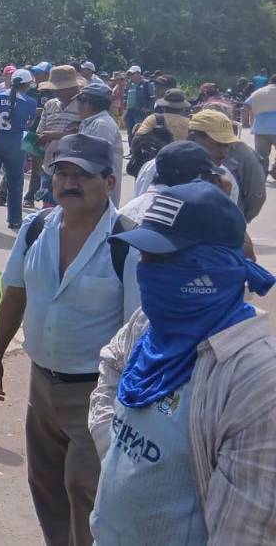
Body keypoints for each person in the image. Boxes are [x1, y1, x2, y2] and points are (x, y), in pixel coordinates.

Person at [88, 180, 276, 543]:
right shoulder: (148, 324)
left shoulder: (255, 381)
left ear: (211, 268)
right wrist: (117, 455)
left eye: (165, 260)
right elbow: (111, 367)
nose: (148, 270)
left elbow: (244, 533)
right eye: (147, 257)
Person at [0, 133, 140, 546]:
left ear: (109, 183)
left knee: (85, 489)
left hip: (95, 391)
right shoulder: (38, 226)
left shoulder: (127, 243)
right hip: (41, 383)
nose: (67, 183)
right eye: (62, 173)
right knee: (45, 483)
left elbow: (135, 333)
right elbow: (15, 293)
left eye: (81, 175)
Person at [0, 69, 39, 230]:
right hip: (15, 144)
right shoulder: (30, 102)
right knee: (15, 183)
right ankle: (14, 219)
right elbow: (29, 124)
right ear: (27, 84)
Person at [118, 141, 228, 223]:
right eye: (210, 176)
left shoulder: (122, 214)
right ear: (199, 178)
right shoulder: (186, 219)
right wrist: (222, 204)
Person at [36, 66, 84, 208]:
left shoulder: (84, 106)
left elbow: (86, 136)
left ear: (70, 87)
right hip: (49, 165)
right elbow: (41, 131)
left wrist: (56, 135)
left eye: (57, 88)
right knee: (47, 211)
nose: (53, 91)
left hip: (74, 169)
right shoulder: (50, 105)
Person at [76, 82, 124, 206]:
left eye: (79, 102)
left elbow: (95, 162)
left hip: (98, 193)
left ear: (86, 104)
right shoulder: (91, 123)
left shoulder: (101, 125)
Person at [243, 78, 276, 178]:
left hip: (260, 128)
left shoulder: (258, 92)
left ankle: (262, 176)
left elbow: (246, 105)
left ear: (269, 82)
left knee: (262, 155)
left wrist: (245, 122)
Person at [122, 65, 153, 145]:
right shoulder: (129, 84)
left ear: (139, 74)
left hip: (140, 112)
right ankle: (131, 151)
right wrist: (124, 111)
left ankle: (138, 151)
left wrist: (149, 109)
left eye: (132, 74)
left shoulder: (146, 83)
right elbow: (125, 98)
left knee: (139, 132)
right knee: (130, 132)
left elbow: (152, 98)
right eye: (130, 74)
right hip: (129, 112)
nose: (130, 76)